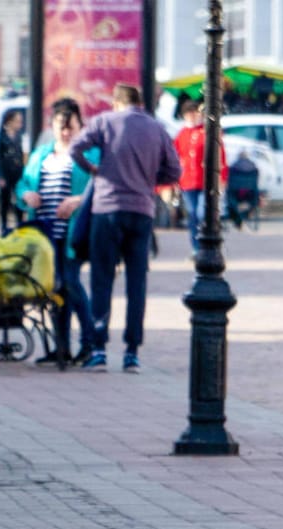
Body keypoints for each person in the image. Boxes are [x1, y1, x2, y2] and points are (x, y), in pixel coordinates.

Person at [70, 83, 180, 373]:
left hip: (106, 209)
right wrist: (149, 179)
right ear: (140, 103)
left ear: (117, 102)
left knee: (102, 279)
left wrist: (93, 169)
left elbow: (76, 148)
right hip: (141, 211)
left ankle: (98, 349)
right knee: (137, 283)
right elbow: (174, 171)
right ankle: (132, 351)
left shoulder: (104, 122)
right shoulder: (156, 128)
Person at [15, 98, 98, 367]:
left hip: (73, 233)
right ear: (51, 126)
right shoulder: (41, 154)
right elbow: (22, 185)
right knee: (53, 289)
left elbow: (102, 184)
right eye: (60, 126)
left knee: (71, 283)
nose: (65, 132)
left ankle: (90, 343)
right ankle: (61, 346)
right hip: (44, 234)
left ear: (79, 126)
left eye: (70, 126)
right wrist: (26, 194)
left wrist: (79, 200)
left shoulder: (90, 153)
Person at [172, 100, 227, 255]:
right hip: (187, 181)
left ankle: (208, 242)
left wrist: (222, 178)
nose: (192, 116)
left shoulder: (207, 132)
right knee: (192, 214)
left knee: (203, 213)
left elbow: (220, 156)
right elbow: (175, 158)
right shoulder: (182, 134)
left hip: (206, 180)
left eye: (194, 112)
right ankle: (196, 247)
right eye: (189, 113)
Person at [0, 108, 26, 235]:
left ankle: (20, 224)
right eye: (17, 121)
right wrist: (0, 176)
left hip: (17, 172)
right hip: (6, 172)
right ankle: (4, 226)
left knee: (18, 198)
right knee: (5, 201)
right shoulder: (1, 137)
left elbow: (20, 154)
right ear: (10, 121)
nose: (19, 124)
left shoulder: (19, 136)